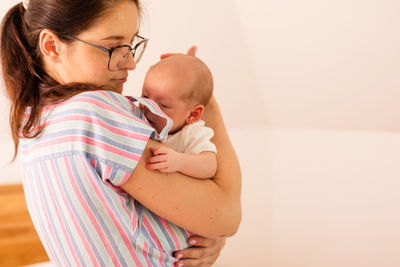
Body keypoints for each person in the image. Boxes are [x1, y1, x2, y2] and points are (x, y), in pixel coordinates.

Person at [0, 1, 241, 267]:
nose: (131, 63)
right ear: (51, 46)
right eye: (114, 47)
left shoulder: (35, 122)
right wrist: (209, 107)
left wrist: (196, 227)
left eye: (131, 45)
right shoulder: (93, 112)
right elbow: (226, 216)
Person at [140, 55, 217, 178]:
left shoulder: (190, 133)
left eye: (163, 105)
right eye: (145, 97)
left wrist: (179, 161)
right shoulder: (138, 116)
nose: (149, 107)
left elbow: (210, 166)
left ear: (193, 114)